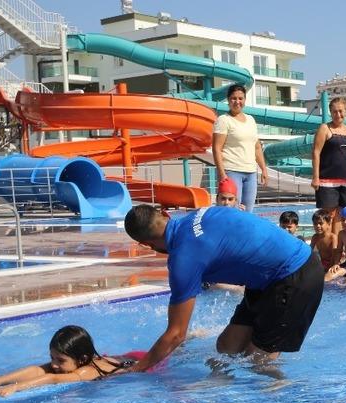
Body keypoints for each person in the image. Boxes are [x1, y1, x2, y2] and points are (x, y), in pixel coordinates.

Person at [122, 205, 324, 368]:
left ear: (146, 245)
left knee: (257, 363)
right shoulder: (203, 212)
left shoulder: (183, 259)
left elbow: (176, 334)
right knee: (227, 347)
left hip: (297, 275)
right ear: (165, 214)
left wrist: (136, 370)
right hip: (267, 279)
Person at [0, 325, 142, 397]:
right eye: (52, 358)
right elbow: (38, 370)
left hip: (141, 363)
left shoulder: (86, 371)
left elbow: (53, 379)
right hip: (125, 357)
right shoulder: (74, 362)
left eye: (60, 360)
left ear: (82, 359)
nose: (54, 365)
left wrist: (15, 387)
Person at [213, 84, 268, 212]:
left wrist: (263, 169)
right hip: (231, 171)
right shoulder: (223, 120)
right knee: (232, 211)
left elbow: (257, 147)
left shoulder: (251, 120)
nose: (237, 102)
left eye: (240, 98)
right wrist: (222, 175)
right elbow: (217, 149)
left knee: (248, 212)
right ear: (228, 100)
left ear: (244, 100)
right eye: (233, 98)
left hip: (250, 172)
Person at [312, 97, 346, 234]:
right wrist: (315, 178)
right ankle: (328, 247)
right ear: (330, 112)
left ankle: (337, 247)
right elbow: (316, 152)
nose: (338, 115)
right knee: (329, 216)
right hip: (327, 181)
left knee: (343, 215)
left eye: (340, 111)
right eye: (334, 112)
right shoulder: (324, 128)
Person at [310, 208, 339, 279]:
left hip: (335, 263)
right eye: (315, 224)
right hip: (323, 263)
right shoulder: (315, 237)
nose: (318, 226)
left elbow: (335, 254)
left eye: (320, 223)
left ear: (329, 223)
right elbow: (309, 251)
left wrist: (331, 266)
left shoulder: (333, 237)